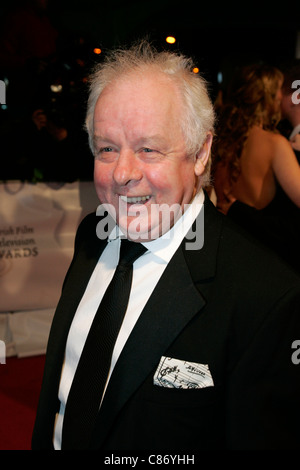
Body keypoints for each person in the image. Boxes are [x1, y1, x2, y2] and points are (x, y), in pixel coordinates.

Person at [32, 41, 300, 451]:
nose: (122, 172)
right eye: (107, 148)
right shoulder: (92, 235)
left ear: (201, 153)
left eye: (148, 149)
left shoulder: (264, 296)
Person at [212, 64, 300, 272]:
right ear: (269, 97)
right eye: (278, 89)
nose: (282, 95)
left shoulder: (222, 142)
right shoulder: (274, 144)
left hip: (230, 251)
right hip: (266, 259)